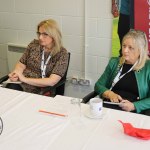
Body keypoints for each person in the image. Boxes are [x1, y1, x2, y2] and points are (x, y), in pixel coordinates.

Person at [95, 29, 150, 116]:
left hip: (133, 112)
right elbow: (98, 85)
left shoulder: (148, 67)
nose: (125, 50)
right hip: (109, 108)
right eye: (124, 46)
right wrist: (110, 94)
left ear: (140, 50)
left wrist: (134, 106)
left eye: (130, 48)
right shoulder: (114, 62)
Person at [7, 19, 69, 96]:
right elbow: (21, 65)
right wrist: (16, 74)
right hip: (22, 84)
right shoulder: (34, 44)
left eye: (44, 34)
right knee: (10, 90)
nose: (40, 37)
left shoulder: (62, 54)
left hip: (43, 89)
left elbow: (51, 81)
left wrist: (24, 79)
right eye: (39, 33)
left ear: (54, 35)